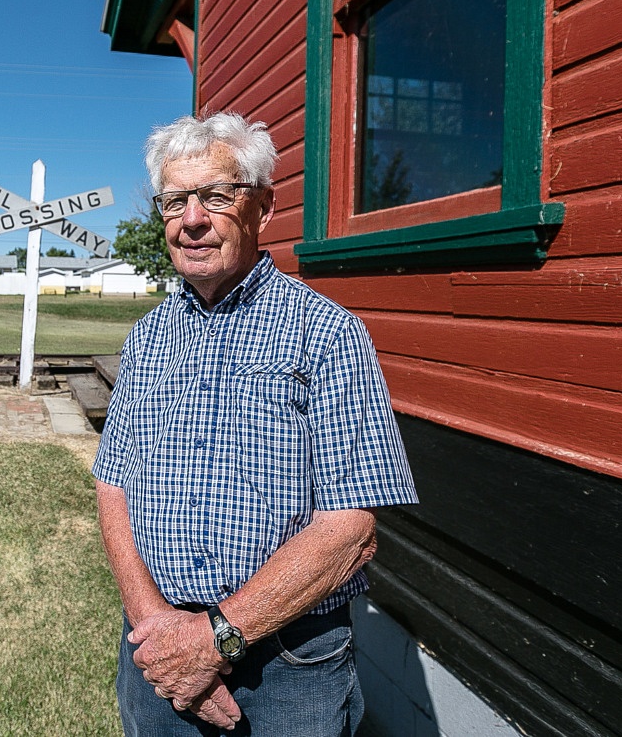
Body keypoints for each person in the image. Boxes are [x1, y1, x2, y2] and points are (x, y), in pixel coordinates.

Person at [92, 112, 418, 736]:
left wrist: (214, 641)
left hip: (288, 663)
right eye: (174, 201)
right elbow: (112, 488)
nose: (191, 220)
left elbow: (350, 529)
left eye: (215, 196)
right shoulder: (146, 340)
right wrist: (156, 630)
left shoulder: (328, 334)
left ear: (263, 209)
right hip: (153, 647)